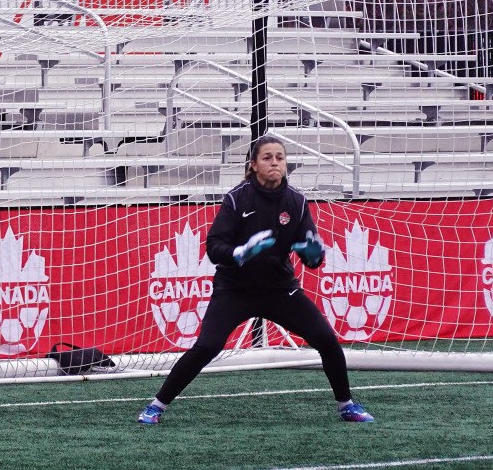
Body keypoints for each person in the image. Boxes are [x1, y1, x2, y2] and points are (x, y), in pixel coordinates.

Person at [137, 135, 374, 424]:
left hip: (280, 289)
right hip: (235, 289)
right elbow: (214, 248)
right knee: (207, 347)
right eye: (267, 157)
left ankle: (346, 405)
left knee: (326, 339)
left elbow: (313, 259)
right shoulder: (238, 198)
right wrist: (241, 252)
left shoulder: (296, 201)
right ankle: (156, 405)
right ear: (254, 165)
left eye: (280, 157)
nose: (275, 162)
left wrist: (314, 253)